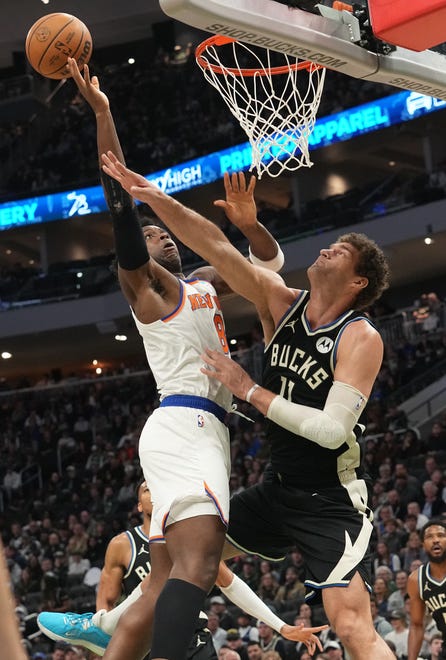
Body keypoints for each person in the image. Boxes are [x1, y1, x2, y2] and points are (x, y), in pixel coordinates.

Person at [38, 58, 324, 660]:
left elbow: (268, 269)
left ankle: (104, 627)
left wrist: (251, 226)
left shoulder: (199, 283)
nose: (160, 235)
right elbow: (119, 202)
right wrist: (104, 112)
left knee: (167, 575)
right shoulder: (146, 291)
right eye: (149, 237)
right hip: (183, 426)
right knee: (199, 563)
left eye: (163, 232)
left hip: (208, 429)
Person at [102, 152, 393, 659]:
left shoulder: (360, 336)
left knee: (350, 626)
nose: (327, 248)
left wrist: (248, 389)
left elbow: (330, 431)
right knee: (180, 556)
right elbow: (213, 245)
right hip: (279, 490)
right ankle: (105, 624)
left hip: (331, 500)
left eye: (341, 251)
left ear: (358, 282)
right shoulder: (280, 302)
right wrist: (150, 196)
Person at [38, 481, 216, 659]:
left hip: (193, 629)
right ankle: (95, 627)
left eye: (157, 487)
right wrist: (105, 642)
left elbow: (223, 575)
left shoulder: (190, 534)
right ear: (139, 505)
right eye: (147, 490)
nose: (154, 492)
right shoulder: (123, 544)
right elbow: (106, 601)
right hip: (147, 635)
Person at [407, 519, 446, 660]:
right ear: (423, 545)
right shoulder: (416, 580)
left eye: (441, 535)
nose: (436, 540)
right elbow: (417, 625)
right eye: (430, 537)